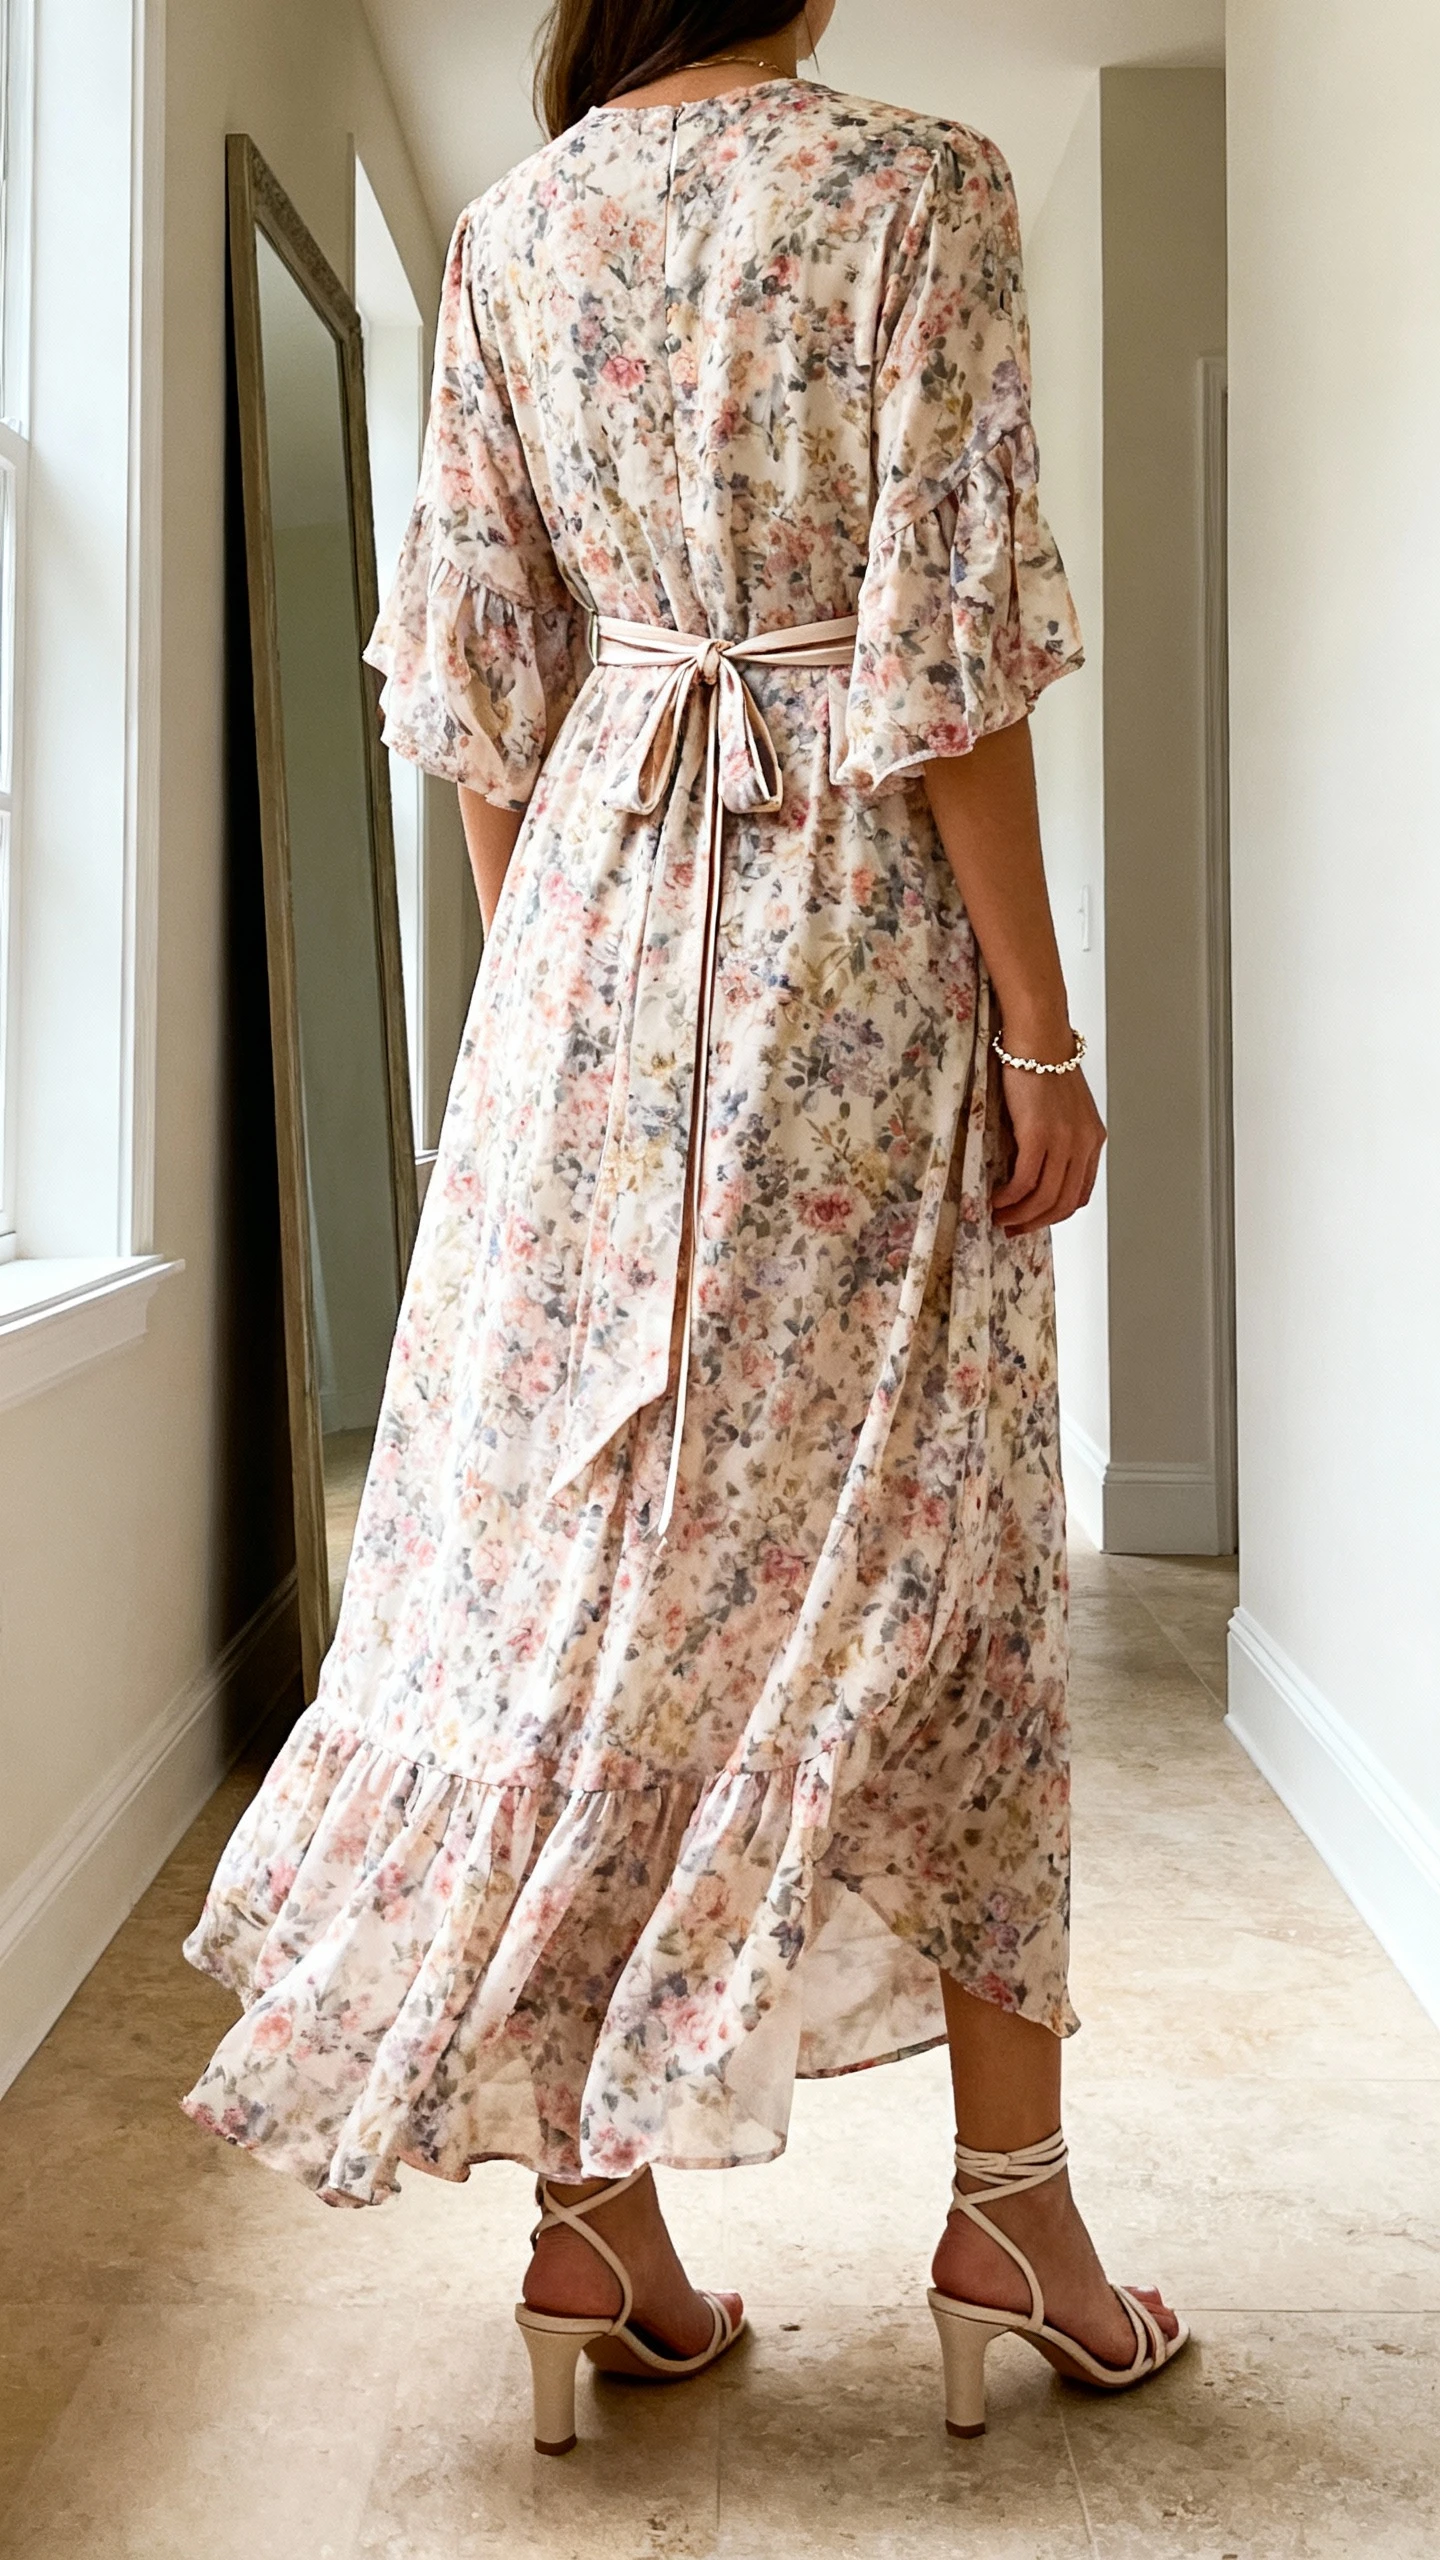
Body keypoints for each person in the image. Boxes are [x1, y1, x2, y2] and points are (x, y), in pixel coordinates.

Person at [182, 0, 1187, 2453]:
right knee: (930, 1552)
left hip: (591, 965)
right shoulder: (913, 185)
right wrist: (1037, 1035)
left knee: (613, 1570)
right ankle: (1016, 2207)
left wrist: (563, 1036)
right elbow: (944, 670)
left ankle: (593, 2219)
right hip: (853, 956)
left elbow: (477, 682)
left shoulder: (518, 236)